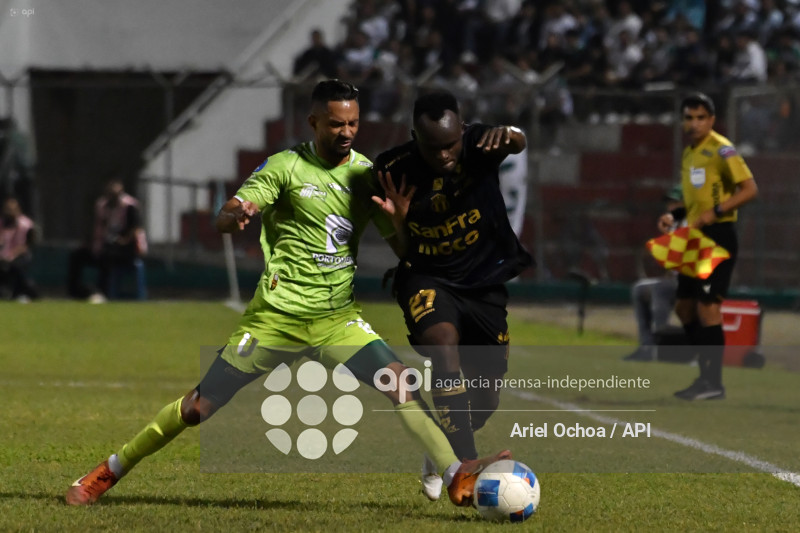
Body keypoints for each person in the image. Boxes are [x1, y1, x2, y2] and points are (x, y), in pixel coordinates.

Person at [65, 80, 506, 509]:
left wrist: (402, 219)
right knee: (198, 408)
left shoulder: (369, 176)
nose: (347, 132)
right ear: (314, 122)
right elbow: (228, 214)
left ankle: (455, 472)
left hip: (337, 320)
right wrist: (237, 213)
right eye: (336, 124)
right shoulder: (284, 167)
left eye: (353, 123)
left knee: (401, 384)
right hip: (276, 319)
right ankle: (109, 470)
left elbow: (405, 251)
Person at [372, 91, 532, 499]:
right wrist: (399, 221)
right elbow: (402, 250)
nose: (444, 155)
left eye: (450, 145)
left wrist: (510, 133)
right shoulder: (392, 170)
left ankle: (439, 449)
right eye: (433, 147)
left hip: (483, 284)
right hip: (427, 277)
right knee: (443, 346)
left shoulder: (480, 144)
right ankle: (462, 466)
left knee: (486, 399)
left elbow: (517, 141)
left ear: (462, 130)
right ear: (414, 137)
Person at [658, 92, 758, 400]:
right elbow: (693, 202)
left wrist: (715, 212)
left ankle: (713, 382)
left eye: (701, 117)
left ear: (712, 120)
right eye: (689, 118)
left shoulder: (722, 149)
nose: (695, 123)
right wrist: (674, 215)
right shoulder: (690, 153)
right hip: (695, 238)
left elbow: (750, 189)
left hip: (718, 236)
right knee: (683, 307)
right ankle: (705, 374)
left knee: (708, 306)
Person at [623, 185, 683, 362]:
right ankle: (647, 347)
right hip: (677, 281)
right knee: (639, 289)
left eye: (676, 202)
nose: (671, 207)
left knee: (659, 289)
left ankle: (660, 346)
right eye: (670, 203)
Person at [67, 179, 147, 301]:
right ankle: (75, 292)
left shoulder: (129, 206)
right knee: (77, 256)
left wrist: (122, 241)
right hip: (103, 247)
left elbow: (135, 229)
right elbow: (98, 227)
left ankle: (102, 292)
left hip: (126, 251)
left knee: (107, 258)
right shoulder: (102, 206)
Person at [0, 197, 38, 301]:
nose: (9, 213)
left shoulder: (26, 224)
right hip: (3, 256)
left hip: (20, 255)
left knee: (15, 267)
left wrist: (11, 256)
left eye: (12, 209)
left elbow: (26, 245)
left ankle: (21, 293)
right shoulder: (2, 223)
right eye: (7, 209)